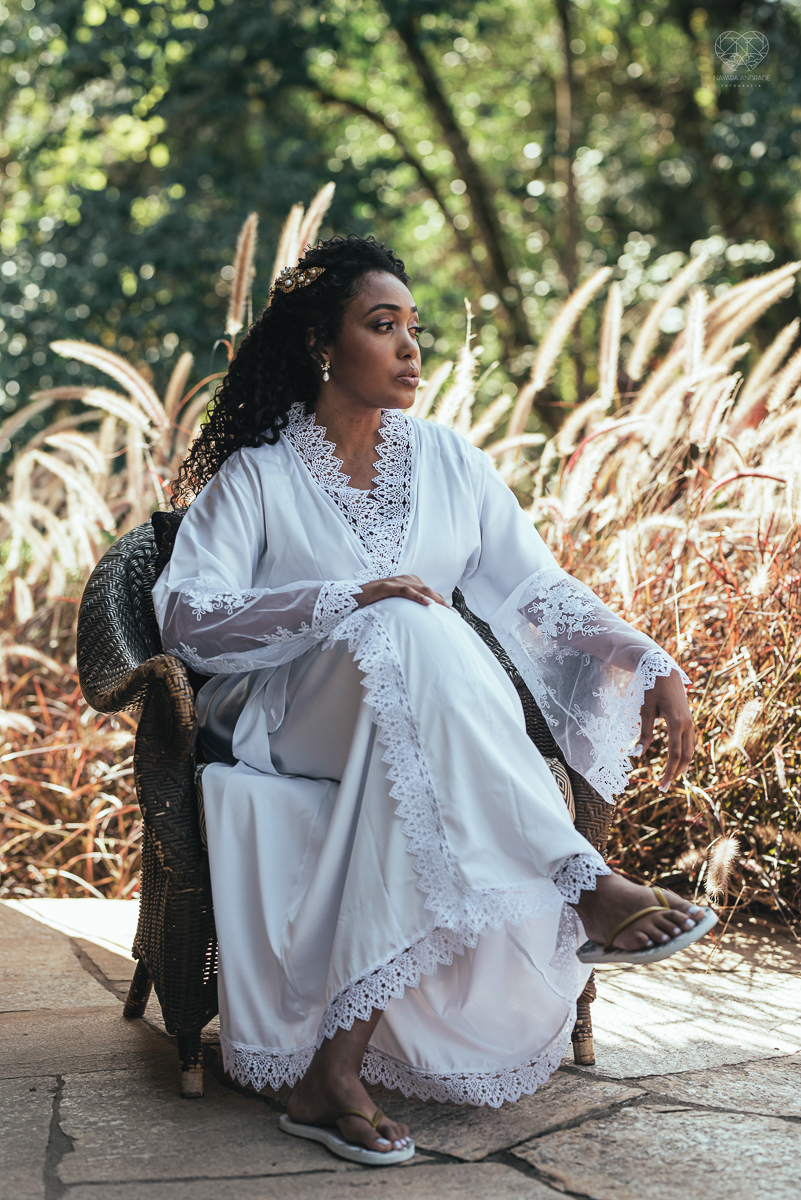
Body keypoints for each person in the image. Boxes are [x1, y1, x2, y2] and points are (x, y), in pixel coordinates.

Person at [152, 235, 715, 1167]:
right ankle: (582, 881)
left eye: (414, 328)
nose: (411, 347)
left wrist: (645, 656)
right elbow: (189, 620)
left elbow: (534, 588)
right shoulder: (256, 474)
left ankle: (332, 1073)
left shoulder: (451, 460)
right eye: (383, 326)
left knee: (414, 688)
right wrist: (345, 599)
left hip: (416, 729)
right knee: (405, 619)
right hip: (291, 718)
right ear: (320, 348)